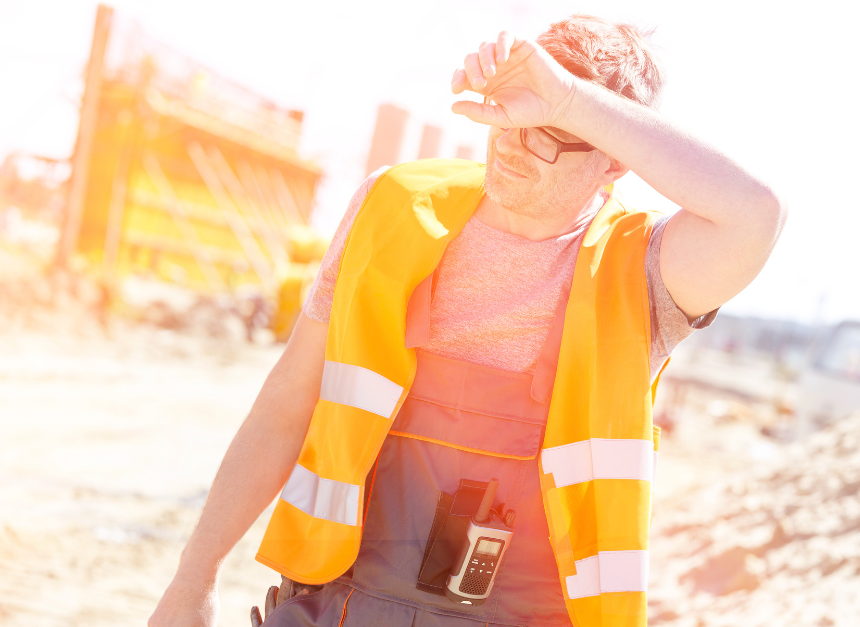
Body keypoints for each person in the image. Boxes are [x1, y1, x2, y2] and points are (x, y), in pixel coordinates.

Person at [149, 15, 785, 627]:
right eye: (508, 111)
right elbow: (288, 400)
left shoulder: (641, 270)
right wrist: (193, 578)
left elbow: (756, 214)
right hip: (339, 606)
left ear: (615, 158)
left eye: (547, 129)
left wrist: (568, 100)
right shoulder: (394, 208)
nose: (510, 142)